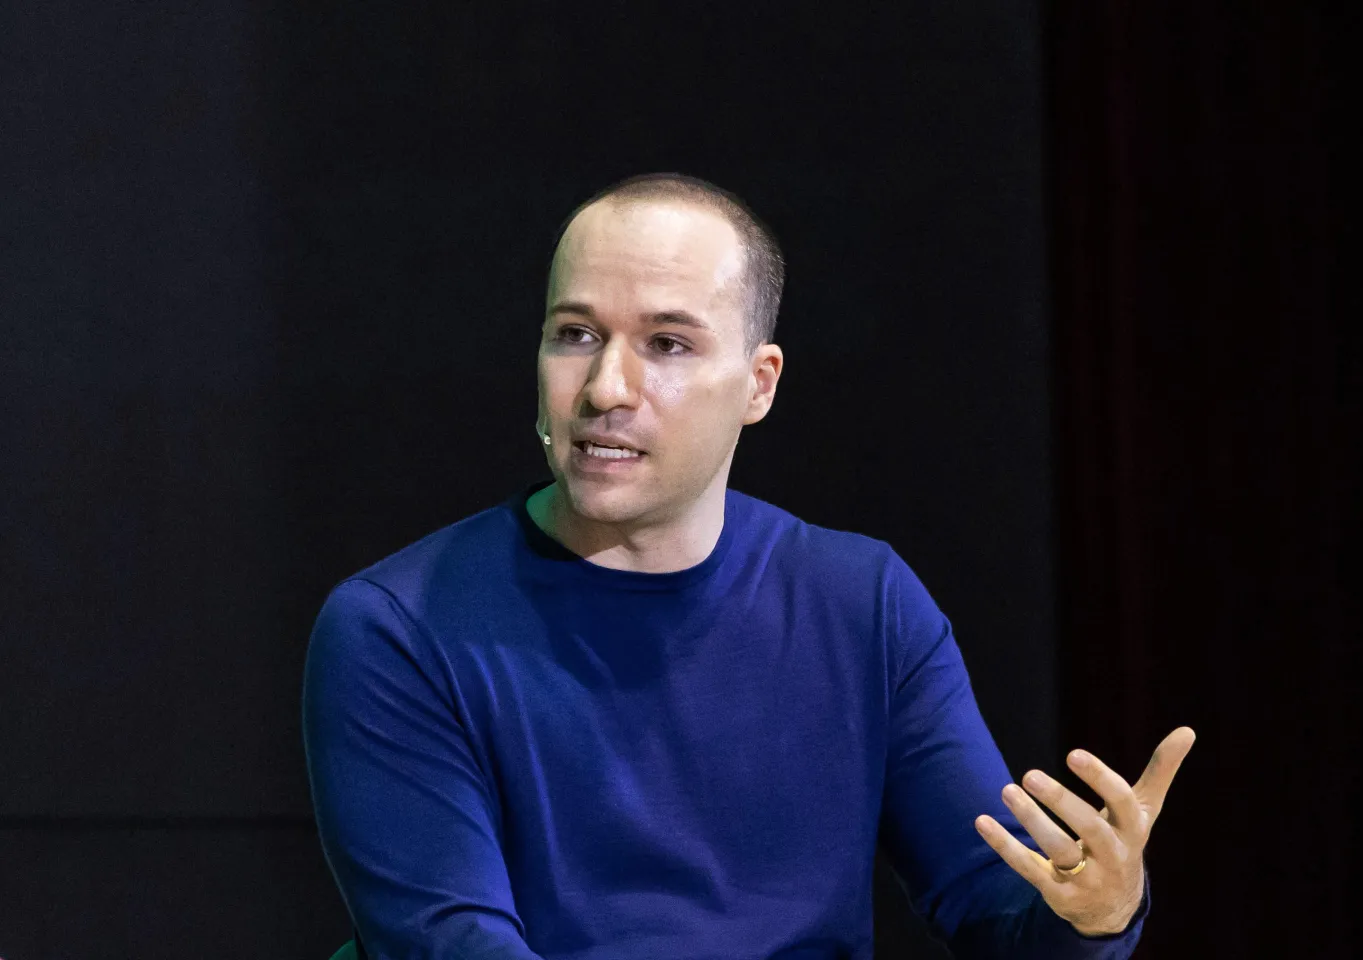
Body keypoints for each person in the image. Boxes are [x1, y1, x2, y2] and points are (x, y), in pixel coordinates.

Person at [301, 173, 1195, 960]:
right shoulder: (397, 624)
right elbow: (448, 943)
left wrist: (1093, 913)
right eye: (575, 334)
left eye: (667, 345)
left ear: (759, 383)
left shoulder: (862, 603)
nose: (607, 388)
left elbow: (988, 903)